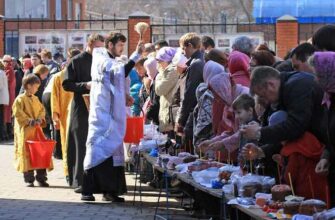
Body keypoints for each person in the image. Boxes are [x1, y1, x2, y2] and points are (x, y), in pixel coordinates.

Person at [81, 37, 144, 202]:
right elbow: (120, 71)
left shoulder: (112, 60)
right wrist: (136, 55)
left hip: (113, 113)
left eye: (124, 45)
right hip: (101, 114)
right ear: (110, 45)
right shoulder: (101, 58)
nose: (122, 48)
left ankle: (110, 191)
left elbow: (116, 82)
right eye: (120, 45)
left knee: (114, 151)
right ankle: (87, 190)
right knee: (96, 148)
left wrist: (126, 96)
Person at [240, 66, 325, 165]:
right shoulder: (285, 89)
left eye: (263, 96)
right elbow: (287, 136)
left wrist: (259, 132)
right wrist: (261, 151)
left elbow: (296, 126)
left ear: (271, 85)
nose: (266, 102)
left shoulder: (297, 85)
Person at [62, 33, 105, 191]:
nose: (101, 51)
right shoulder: (77, 61)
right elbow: (66, 84)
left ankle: (98, 181)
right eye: (99, 47)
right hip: (80, 107)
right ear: (91, 44)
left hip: (99, 106)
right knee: (80, 143)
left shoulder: (103, 61)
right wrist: (85, 85)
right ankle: (79, 180)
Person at [12, 74, 50, 187]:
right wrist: (29, 121)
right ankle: (29, 179)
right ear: (28, 86)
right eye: (36, 87)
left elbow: (41, 110)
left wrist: (39, 119)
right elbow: (18, 113)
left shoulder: (36, 98)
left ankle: (41, 178)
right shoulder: (19, 99)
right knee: (26, 154)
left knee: (40, 153)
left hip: (36, 132)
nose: (37, 89)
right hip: (25, 132)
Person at [309, 51, 335, 207]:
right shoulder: (328, 99)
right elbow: (329, 137)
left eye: (318, 75)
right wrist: (326, 157)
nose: (315, 80)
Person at [51, 48, 80, 181]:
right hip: (65, 116)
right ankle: (68, 171)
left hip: (77, 113)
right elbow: (54, 98)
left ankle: (77, 172)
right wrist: (55, 116)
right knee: (66, 143)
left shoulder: (83, 75)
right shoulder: (59, 77)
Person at [176, 33, 204, 146]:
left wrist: (182, 120)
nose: (183, 52)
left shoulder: (196, 64)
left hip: (194, 111)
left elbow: (190, 93)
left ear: (190, 46)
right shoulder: (197, 61)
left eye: (184, 48)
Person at [154, 47, 179, 133]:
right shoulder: (168, 70)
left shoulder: (172, 70)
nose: (158, 64)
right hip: (169, 114)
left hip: (171, 117)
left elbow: (159, 90)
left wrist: (158, 75)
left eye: (160, 61)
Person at [2, 55, 16, 139]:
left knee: (6, 114)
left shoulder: (9, 70)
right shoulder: (9, 70)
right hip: (9, 94)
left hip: (8, 94)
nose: (5, 63)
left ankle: (8, 133)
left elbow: (7, 83)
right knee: (7, 114)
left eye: (6, 61)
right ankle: (8, 132)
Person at [0, 62, 9, 141]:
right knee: (1, 117)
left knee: (1, 118)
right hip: (2, 98)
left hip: (1, 98)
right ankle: (3, 135)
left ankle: (2, 135)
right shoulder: (2, 72)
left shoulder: (0, 72)